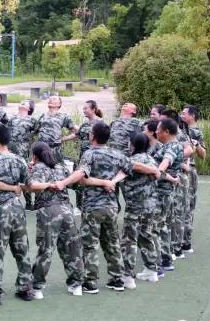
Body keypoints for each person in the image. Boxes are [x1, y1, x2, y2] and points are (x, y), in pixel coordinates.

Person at [57, 122, 158, 294]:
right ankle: (117, 279)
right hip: (111, 206)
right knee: (112, 243)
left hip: (93, 207)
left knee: (90, 244)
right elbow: (132, 166)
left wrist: (64, 182)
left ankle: (90, 281)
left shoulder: (89, 154)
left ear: (93, 136)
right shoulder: (116, 154)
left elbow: (82, 176)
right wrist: (153, 170)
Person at [0, 124, 35, 305]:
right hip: (17, 208)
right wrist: (15, 187)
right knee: (22, 249)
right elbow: (28, 184)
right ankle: (25, 288)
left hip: (0, 210)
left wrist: (10, 187)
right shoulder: (19, 159)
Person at [24, 142, 84, 298]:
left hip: (49, 211)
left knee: (46, 249)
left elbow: (33, 185)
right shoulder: (60, 167)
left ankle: (37, 287)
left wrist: (47, 184)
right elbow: (74, 184)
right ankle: (76, 284)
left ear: (34, 156)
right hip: (67, 210)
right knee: (72, 248)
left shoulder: (38, 168)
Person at [120, 133, 160, 288]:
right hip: (150, 206)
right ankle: (151, 270)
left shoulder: (131, 160)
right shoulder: (151, 159)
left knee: (129, 240)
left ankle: (127, 276)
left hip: (135, 207)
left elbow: (130, 167)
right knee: (146, 235)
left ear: (133, 144)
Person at [160, 109, 193, 261]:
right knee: (175, 213)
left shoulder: (177, 135)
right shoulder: (169, 137)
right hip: (174, 175)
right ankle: (176, 246)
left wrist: (176, 158)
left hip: (176, 176)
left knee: (177, 213)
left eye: (162, 120)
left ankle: (176, 247)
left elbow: (189, 150)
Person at [153, 118, 184, 273]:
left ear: (166, 131)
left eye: (158, 130)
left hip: (162, 192)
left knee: (156, 225)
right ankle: (165, 258)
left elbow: (163, 165)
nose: (156, 132)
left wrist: (156, 172)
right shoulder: (168, 145)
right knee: (162, 224)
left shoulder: (172, 147)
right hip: (164, 191)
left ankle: (159, 262)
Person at [179, 105, 206, 254]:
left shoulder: (195, 132)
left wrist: (195, 145)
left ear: (192, 116)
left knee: (188, 205)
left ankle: (186, 241)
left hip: (189, 170)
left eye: (184, 113)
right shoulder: (179, 129)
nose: (181, 115)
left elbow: (203, 154)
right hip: (179, 169)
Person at [72, 100, 104, 215]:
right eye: (83, 108)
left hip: (95, 157)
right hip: (83, 157)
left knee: (93, 181)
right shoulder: (85, 124)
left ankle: (95, 206)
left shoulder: (101, 124)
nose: (84, 110)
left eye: (86, 108)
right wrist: (62, 139)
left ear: (93, 109)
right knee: (79, 181)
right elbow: (76, 135)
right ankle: (78, 207)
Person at [8, 100, 38, 210]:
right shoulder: (12, 118)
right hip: (10, 150)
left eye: (25, 103)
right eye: (21, 102)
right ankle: (10, 200)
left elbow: (37, 132)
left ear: (29, 109)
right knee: (9, 174)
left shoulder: (32, 120)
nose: (22, 103)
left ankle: (29, 202)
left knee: (24, 175)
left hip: (23, 151)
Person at [35, 95, 77, 161]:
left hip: (55, 150)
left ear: (59, 104)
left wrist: (64, 138)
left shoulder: (63, 116)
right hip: (42, 149)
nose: (51, 100)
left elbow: (77, 131)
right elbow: (35, 131)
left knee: (55, 166)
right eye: (50, 99)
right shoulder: (43, 116)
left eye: (54, 99)